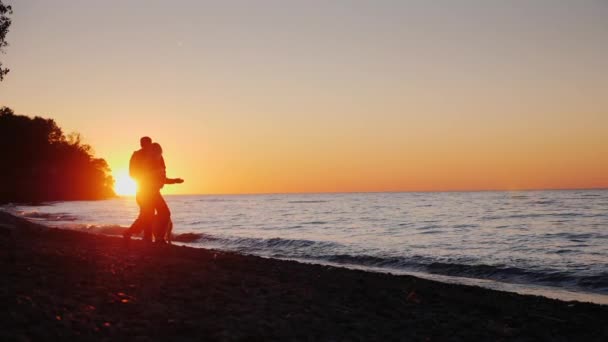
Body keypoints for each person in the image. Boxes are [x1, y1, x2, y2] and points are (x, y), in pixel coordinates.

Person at [123, 138, 183, 243]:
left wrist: (173, 181)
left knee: (158, 214)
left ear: (150, 144)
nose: (145, 146)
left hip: (154, 191)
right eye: (143, 144)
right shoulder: (137, 156)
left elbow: (162, 177)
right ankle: (148, 237)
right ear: (141, 145)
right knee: (148, 215)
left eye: (147, 144)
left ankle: (154, 237)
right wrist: (148, 177)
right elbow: (132, 174)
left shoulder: (157, 156)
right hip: (143, 191)